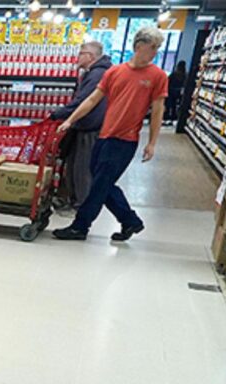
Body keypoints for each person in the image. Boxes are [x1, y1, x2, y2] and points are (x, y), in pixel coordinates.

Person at [52, 26, 168, 242]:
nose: (155, 52)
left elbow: (158, 111)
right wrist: (70, 119)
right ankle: (130, 220)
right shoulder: (114, 72)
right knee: (101, 183)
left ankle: (80, 227)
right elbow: (92, 100)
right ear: (139, 46)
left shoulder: (157, 76)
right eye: (153, 47)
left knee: (99, 185)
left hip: (125, 140)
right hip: (104, 135)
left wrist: (152, 142)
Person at [49, 41, 111, 210]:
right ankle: (73, 199)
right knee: (75, 164)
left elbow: (83, 101)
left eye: (80, 53)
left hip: (90, 127)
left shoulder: (97, 74)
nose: (77, 57)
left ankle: (82, 205)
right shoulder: (94, 73)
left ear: (90, 56)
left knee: (82, 168)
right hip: (84, 125)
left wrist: (58, 114)